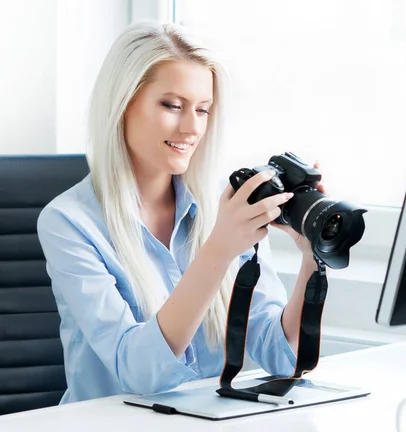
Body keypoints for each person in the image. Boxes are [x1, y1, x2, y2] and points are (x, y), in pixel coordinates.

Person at [37, 21, 326, 404]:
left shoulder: (223, 208)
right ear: (123, 104)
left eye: (203, 110)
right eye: (172, 106)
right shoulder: (68, 223)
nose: (192, 127)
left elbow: (281, 355)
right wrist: (218, 251)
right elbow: (138, 374)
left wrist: (310, 257)